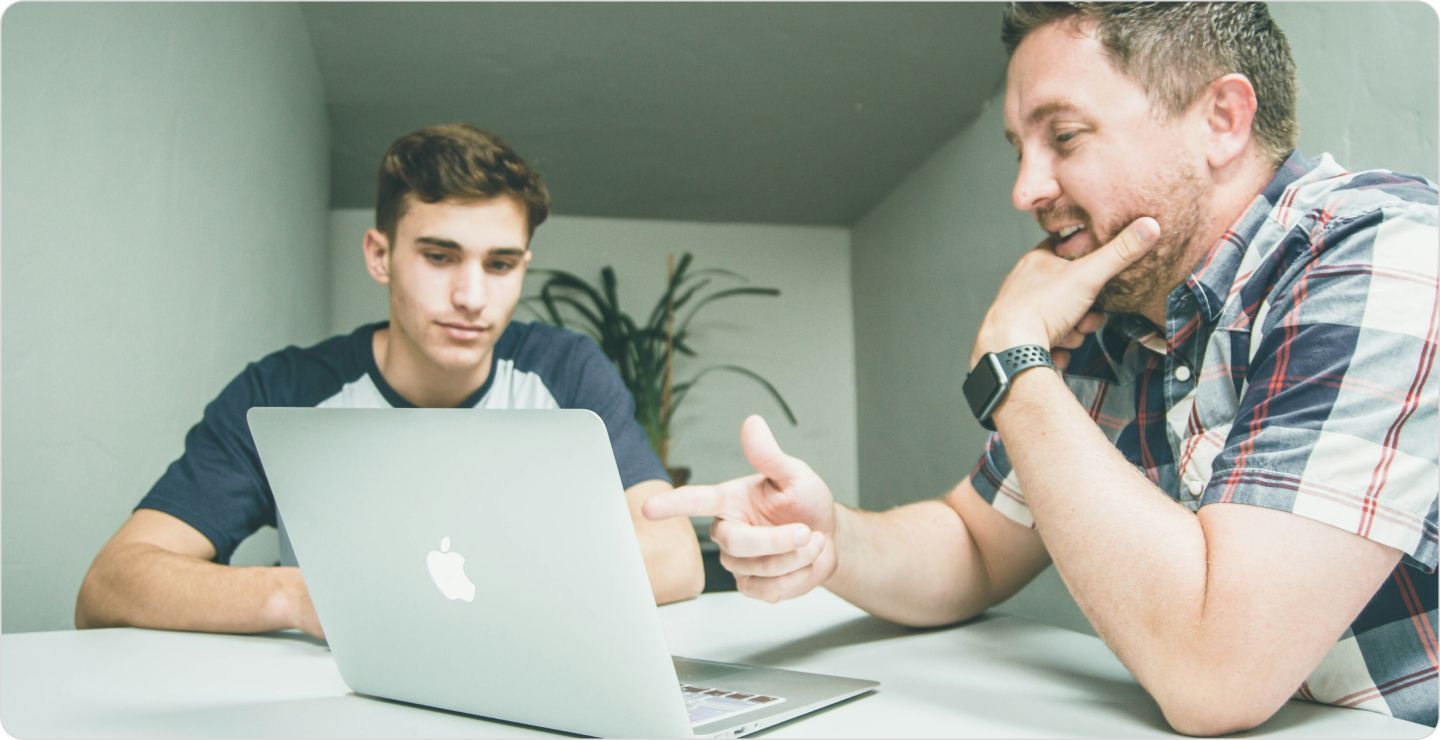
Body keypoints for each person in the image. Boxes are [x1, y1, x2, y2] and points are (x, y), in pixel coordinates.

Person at [645, 3, 1438, 734]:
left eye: (1064, 137)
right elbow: (975, 542)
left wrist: (1015, 363)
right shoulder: (1122, 302)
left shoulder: (1384, 257)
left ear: (1221, 119)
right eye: (1021, 149)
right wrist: (833, 539)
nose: (1026, 189)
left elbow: (1215, 675)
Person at [76, 123, 704, 639]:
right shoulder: (285, 390)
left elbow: (676, 559)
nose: (471, 296)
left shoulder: (565, 371)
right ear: (380, 255)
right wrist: (301, 597)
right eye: (439, 256)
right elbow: (112, 583)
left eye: (501, 264)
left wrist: (451, 587)